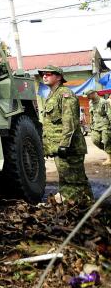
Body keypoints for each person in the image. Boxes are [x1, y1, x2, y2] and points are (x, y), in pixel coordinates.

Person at [40, 66, 93, 204]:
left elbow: (69, 122)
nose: (44, 76)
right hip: (58, 147)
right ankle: (87, 206)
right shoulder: (52, 95)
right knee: (71, 179)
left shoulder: (65, 94)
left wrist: (64, 145)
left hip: (69, 148)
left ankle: (72, 205)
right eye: (43, 74)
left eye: (48, 74)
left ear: (59, 77)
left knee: (72, 181)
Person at [86, 90, 110, 165]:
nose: (88, 97)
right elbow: (91, 114)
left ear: (94, 94)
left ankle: (109, 158)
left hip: (105, 125)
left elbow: (109, 113)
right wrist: (91, 124)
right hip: (96, 125)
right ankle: (109, 151)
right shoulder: (90, 103)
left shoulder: (104, 102)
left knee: (106, 141)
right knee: (95, 140)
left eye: (89, 95)